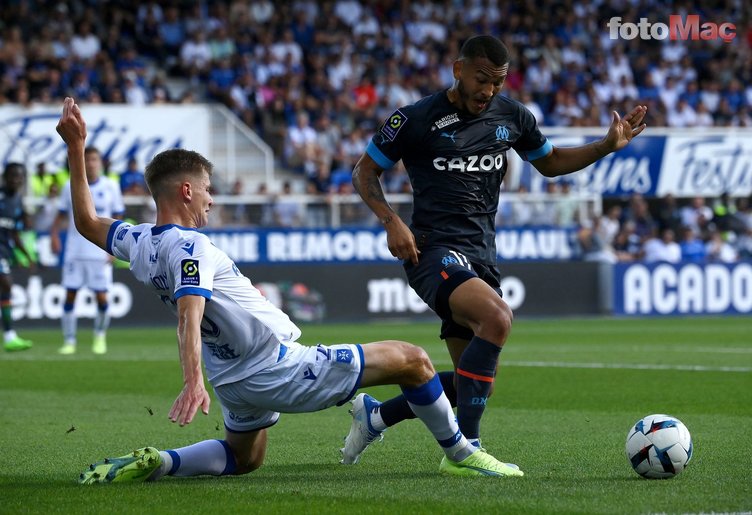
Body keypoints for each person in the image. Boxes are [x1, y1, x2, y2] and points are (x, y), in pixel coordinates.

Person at [55, 97, 523, 484]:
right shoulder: (190, 245)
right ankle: (462, 452)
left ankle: (164, 461)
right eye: (206, 189)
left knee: (245, 457)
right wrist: (190, 379)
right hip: (272, 366)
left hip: (233, 379)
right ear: (185, 191)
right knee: (414, 361)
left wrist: (76, 149)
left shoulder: (141, 242)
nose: (212, 198)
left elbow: (86, 222)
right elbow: (188, 312)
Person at [350, 35, 647, 462]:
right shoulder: (415, 118)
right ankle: (468, 451)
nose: (488, 90)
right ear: (458, 70)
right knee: (497, 318)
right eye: (481, 79)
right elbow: (364, 171)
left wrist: (604, 146)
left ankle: (376, 416)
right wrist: (391, 220)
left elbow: (550, 163)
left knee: (472, 382)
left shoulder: (513, 117)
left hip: (482, 255)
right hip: (431, 251)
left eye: (498, 82)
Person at [50, 146, 125, 355]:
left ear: (100, 163)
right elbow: (61, 215)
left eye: (94, 159)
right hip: (75, 251)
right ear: (82, 163)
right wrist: (54, 235)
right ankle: (69, 341)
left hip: (100, 251)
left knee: (102, 298)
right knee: (69, 296)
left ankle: (100, 337)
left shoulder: (111, 186)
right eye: (88, 160)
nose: (91, 163)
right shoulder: (70, 186)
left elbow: (118, 219)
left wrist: (114, 248)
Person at [0, 163, 35, 352]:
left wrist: (26, 256)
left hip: (5, 250)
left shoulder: (18, 201)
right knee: (6, 284)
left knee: (6, 287)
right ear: (5, 177)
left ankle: (9, 337)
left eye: (20, 176)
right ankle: (9, 336)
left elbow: (14, 233)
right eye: (13, 175)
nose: (17, 179)